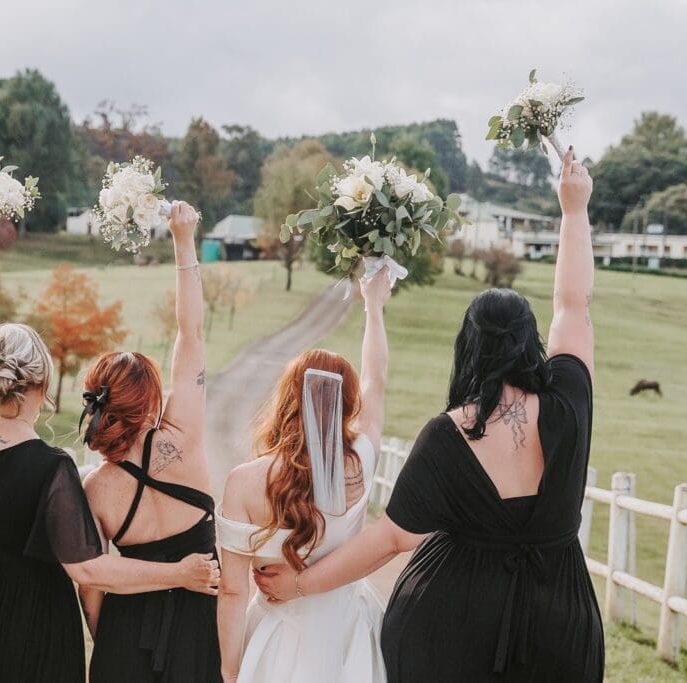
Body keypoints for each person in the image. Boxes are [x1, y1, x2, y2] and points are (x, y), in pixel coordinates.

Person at [254, 147, 602, 682]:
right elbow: (572, 305)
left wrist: (300, 585)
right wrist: (574, 210)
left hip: (454, 625)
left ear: (467, 347)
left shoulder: (447, 435)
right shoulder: (569, 399)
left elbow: (388, 540)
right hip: (562, 618)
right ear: (531, 342)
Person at [0, 230, 220, 682]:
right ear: (42, 385)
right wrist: (181, 574)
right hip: (25, 630)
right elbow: (86, 567)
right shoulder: (51, 469)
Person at [216, 268, 392, 683]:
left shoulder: (244, 481)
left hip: (279, 637)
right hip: (350, 632)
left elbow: (233, 591)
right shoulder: (362, 459)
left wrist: (230, 669)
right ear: (350, 404)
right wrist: (374, 306)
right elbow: (377, 380)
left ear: (286, 399)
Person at [80, 201, 221, 682]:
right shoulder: (184, 435)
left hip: (124, 634)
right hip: (199, 631)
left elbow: (92, 586)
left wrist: (109, 639)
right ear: (151, 397)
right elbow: (191, 331)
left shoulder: (94, 489)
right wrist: (183, 240)